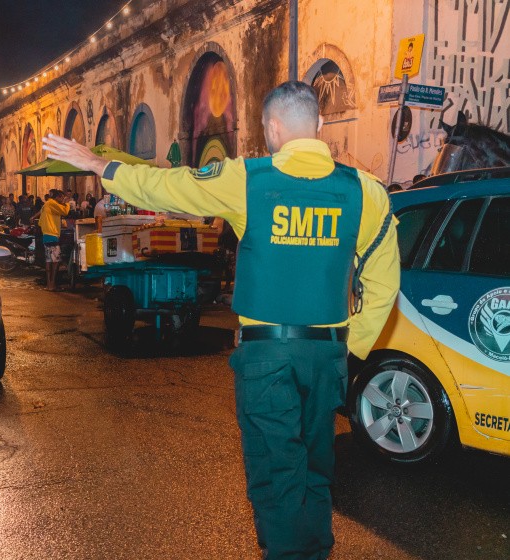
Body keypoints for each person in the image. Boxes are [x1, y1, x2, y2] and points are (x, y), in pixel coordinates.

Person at [43, 81, 400, 560]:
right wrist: (350, 349)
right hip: (328, 355)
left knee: (277, 475)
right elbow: (383, 284)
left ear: (272, 129)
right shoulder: (366, 192)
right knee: (316, 470)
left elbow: (169, 186)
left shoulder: (247, 180)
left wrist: (98, 164)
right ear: (319, 126)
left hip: (266, 358)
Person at [35, 189, 70, 291]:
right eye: (61, 197)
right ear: (57, 197)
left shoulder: (47, 204)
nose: (62, 199)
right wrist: (67, 204)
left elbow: (40, 217)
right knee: (55, 262)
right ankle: (52, 285)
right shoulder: (52, 203)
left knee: (49, 261)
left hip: (46, 235)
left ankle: (49, 284)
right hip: (52, 234)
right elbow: (65, 211)